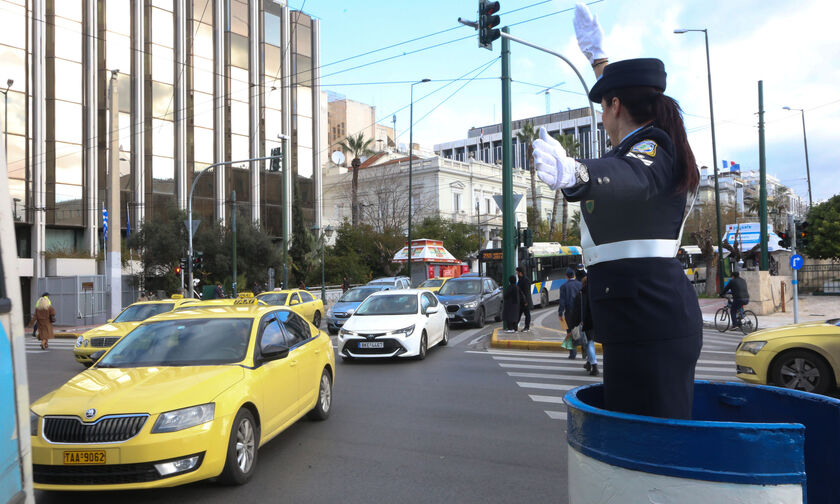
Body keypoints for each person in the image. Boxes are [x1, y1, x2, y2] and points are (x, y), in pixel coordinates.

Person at [530, 3, 702, 419]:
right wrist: (598, 59)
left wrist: (575, 172)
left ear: (615, 107)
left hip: (650, 323)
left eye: (603, 107)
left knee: (655, 446)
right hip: (641, 319)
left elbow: (631, 176)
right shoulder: (648, 139)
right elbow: (623, 117)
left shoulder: (651, 148)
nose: (602, 117)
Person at [566, 276, 599, 376]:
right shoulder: (596, 293)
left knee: (588, 344)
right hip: (595, 322)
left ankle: (594, 366)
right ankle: (589, 363)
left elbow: (576, 312)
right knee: (590, 342)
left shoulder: (581, 295)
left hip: (585, 323)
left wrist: (572, 325)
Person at [557, 268, 583, 359]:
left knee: (570, 332)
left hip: (570, 312)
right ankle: (585, 351)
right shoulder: (580, 284)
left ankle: (573, 353)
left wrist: (560, 313)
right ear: (574, 275)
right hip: (580, 311)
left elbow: (562, 301)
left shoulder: (563, 286)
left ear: (566, 276)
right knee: (582, 331)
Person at [515, 266, 532, 332]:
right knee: (519, 314)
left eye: (517, 272)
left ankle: (527, 327)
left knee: (527, 314)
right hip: (522, 300)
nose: (516, 274)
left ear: (520, 272)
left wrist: (526, 301)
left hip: (525, 301)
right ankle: (515, 326)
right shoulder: (521, 279)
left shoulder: (525, 280)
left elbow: (526, 292)